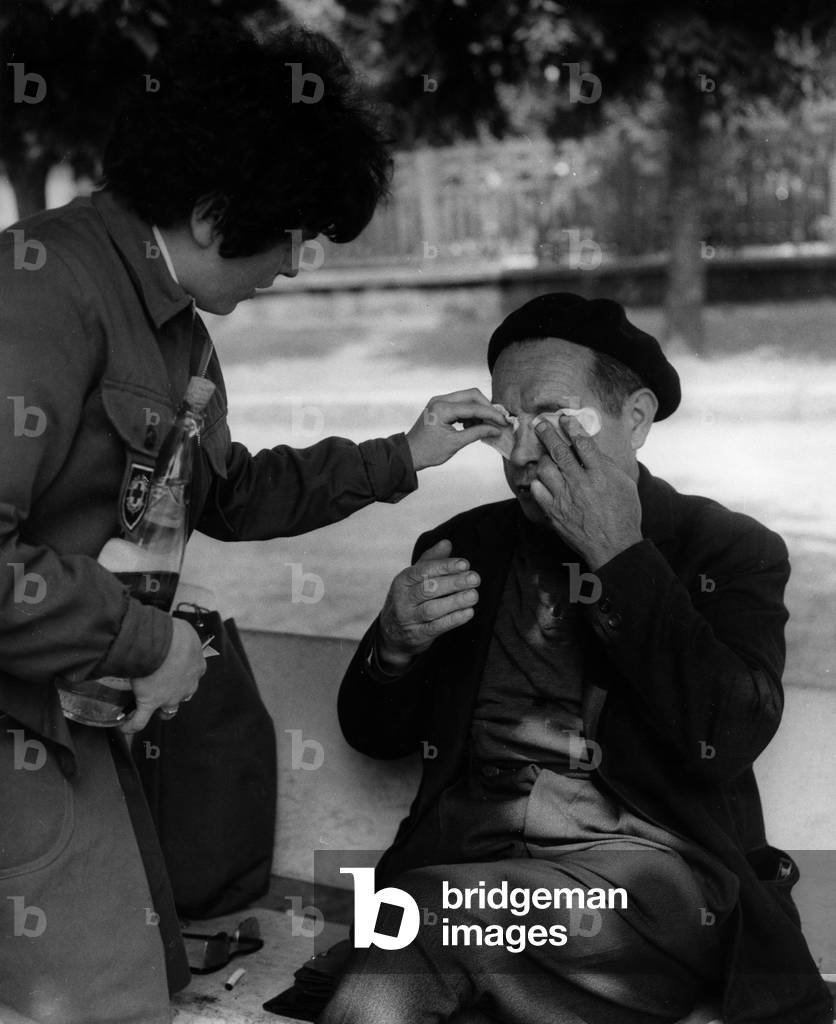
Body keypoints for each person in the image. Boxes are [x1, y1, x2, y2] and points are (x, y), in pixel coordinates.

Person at [0, 25, 506, 1024]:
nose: (299, 265)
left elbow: (221, 493)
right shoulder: (40, 292)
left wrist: (402, 454)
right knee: (101, 995)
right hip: (28, 704)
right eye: (296, 237)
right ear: (215, 212)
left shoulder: (175, 321)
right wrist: (152, 644)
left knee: (140, 967)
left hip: (64, 701)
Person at [325, 293, 833, 1024]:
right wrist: (394, 649)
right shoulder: (468, 542)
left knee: (419, 929)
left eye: (557, 419)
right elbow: (377, 736)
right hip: (479, 866)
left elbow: (728, 734)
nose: (526, 455)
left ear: (633, 420)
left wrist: (619, 555)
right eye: (508, 426)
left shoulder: (725, 549)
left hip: (649, 879)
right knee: (429, 932)